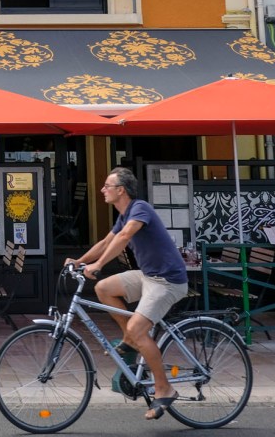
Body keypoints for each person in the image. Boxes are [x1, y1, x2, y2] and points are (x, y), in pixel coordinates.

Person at [65, 167, 188, 420]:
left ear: (121, 190)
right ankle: (129, 339)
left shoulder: (139, 208)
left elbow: (124, 236)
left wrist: (98, 266)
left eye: (106, 186)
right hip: (147, 276)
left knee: (138, 328)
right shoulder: (123, 215)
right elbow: (106, 242)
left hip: (167, 281)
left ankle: (164, 388)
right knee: (103, 288)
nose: (102, 190)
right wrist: (80, 261)